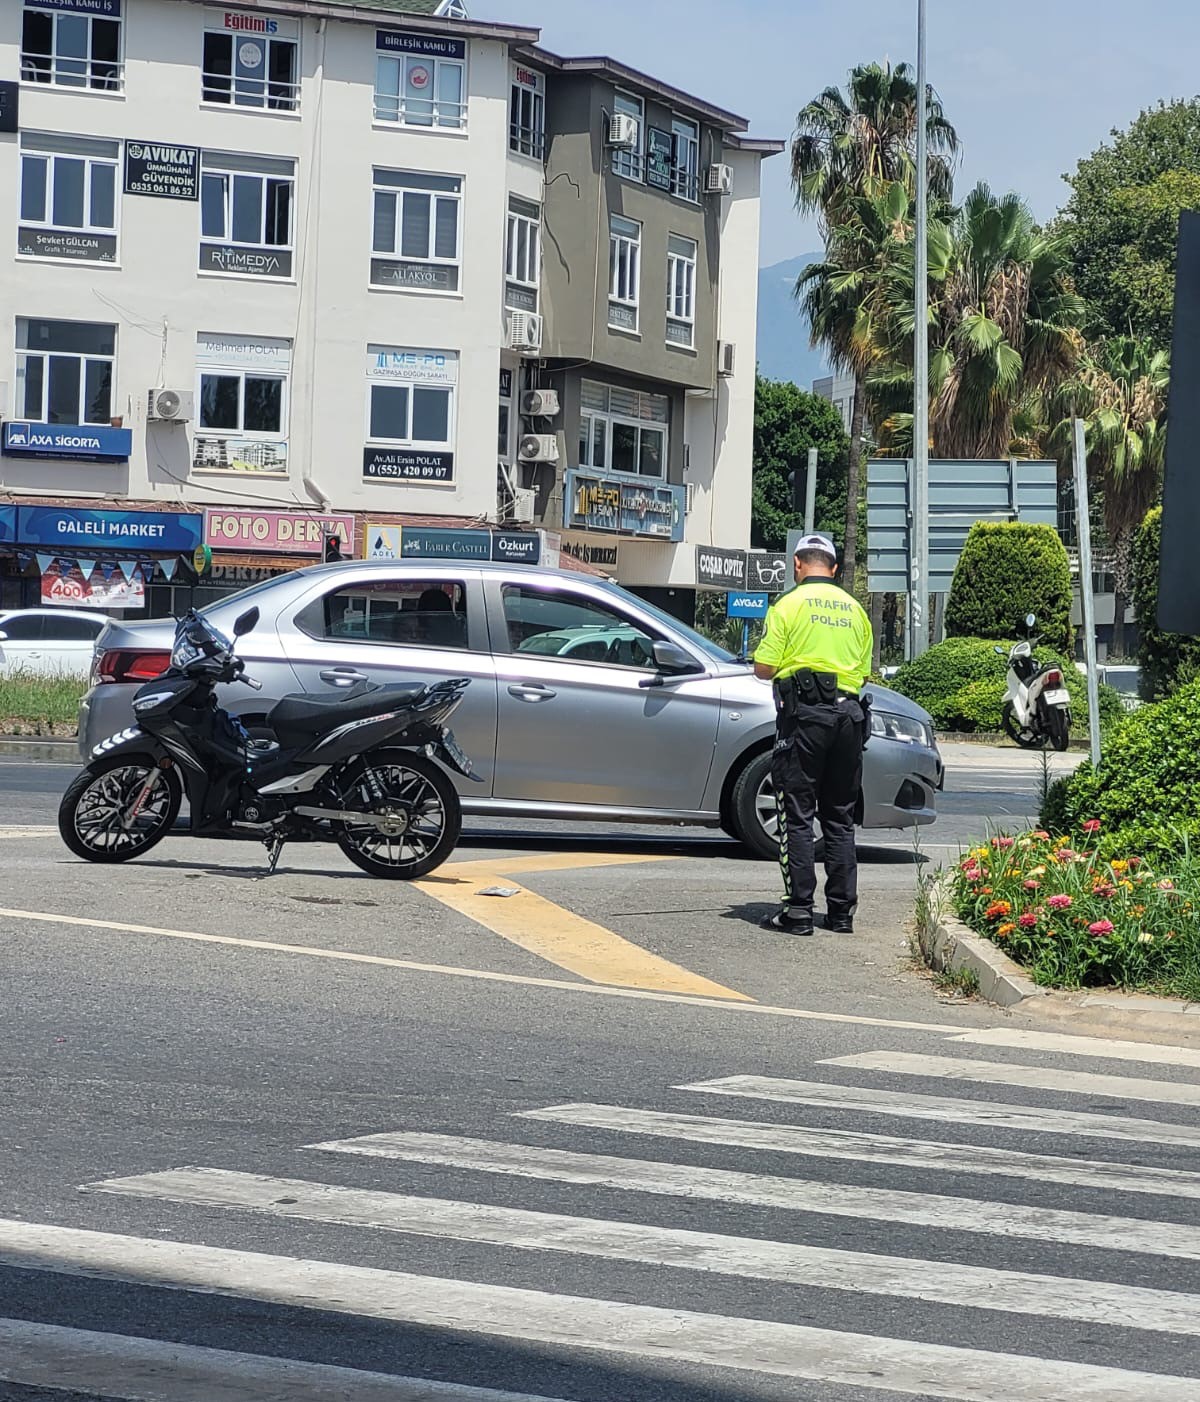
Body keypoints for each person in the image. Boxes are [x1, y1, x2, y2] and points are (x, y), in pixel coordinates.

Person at [753, 533, 874, 936]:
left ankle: (799, 910)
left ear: (797, 565)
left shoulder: (788, 604)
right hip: (849, 719)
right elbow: (864, 672)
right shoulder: (856, 610)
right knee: (840, 818)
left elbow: (764, 667)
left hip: (805, 718)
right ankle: (841, 913)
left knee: (798, 815)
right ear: (835, 569)